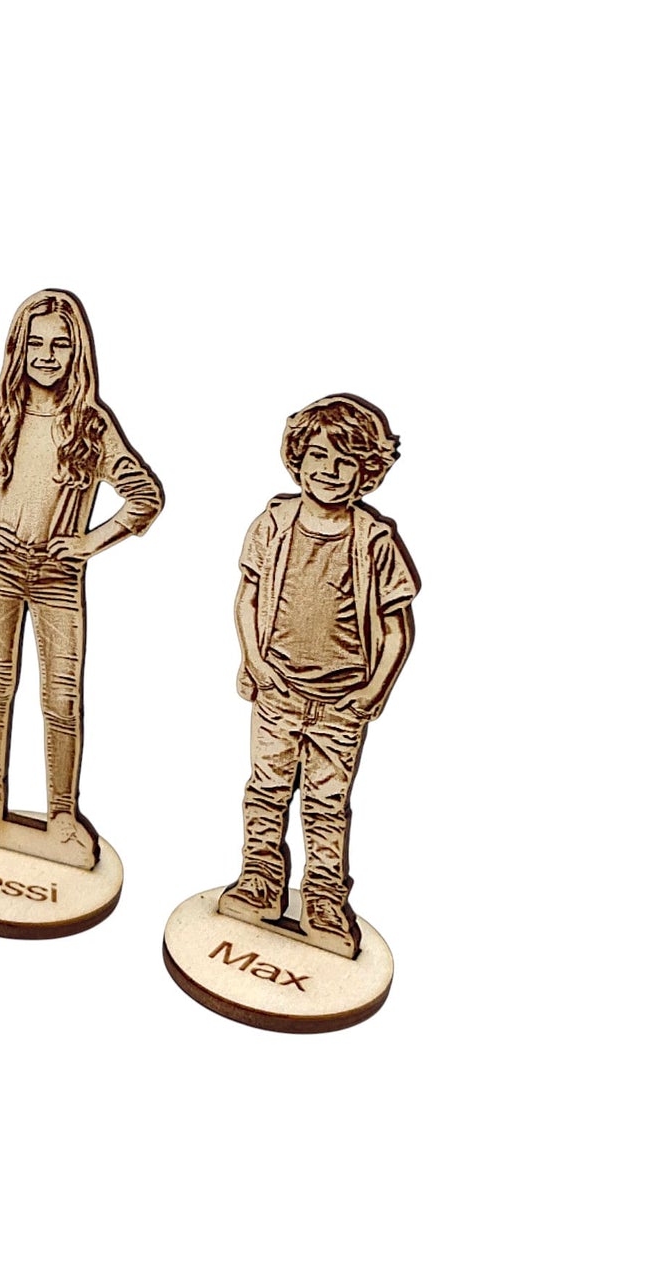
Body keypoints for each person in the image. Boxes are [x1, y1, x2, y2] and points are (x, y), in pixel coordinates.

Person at [0, 290, 162, 866]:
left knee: (62, 694)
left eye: (60, 344)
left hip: (58, 576)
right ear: (18, 348)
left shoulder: (90, 424)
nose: (47, 356)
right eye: (36, 343)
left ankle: (61, 812)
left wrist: (88, 543)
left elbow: (144, 495)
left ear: (77, 352)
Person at [220, 394, 419, 957]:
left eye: (345, 461)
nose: (329, 471)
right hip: (277, 692)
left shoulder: (374, 541)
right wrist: (254, 661)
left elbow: (397, 627)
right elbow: (246, 596)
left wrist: (373, 691)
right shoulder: (273, 524)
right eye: (318, 456)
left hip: (340, 705)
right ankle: (259, 880)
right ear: (297, 458)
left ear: (367, 472)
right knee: (265, 790)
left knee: (327, 803)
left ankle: (324, 899)